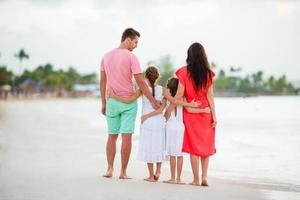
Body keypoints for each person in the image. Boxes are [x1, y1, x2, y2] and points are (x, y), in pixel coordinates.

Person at [100, 28, 161, 179]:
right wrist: (153, 100)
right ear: (127, 40)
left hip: (111, 101)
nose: (136, 45)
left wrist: (103, 102)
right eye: (135, 42)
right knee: (126, 137)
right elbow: (140, 81)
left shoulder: (106, 56)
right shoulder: (131, 57)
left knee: (112, 136)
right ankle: (123, 172)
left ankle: (109, 169)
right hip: (128, 103)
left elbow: (103, 81)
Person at [164, 42, 217, 186]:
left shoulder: (183, 72)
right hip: (206, 112)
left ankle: (195, 179)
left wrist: (168, 111)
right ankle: (204, 176)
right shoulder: (208, 73)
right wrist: (214, 116)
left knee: (194, 147)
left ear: (189, 56)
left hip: (191, 113)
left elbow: (180, 94)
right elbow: (210, 97)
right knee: (205, 147)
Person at [109, 66, 166, 182]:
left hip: (147, 121)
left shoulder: (142, 90)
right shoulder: (163, 89)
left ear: (145, 77)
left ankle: (151, 175)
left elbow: (129, 100)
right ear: (158, 77)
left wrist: (114, 95)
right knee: (158, 145)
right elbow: (166, 104)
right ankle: (158, 171)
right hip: (159, 121)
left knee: (149, 146)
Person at [163, 78, 210, 185]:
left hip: (170, 126)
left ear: (169, 87)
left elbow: (166, 115)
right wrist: (204, 110)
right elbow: (190, 110)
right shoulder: (183, 98)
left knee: (172, 154)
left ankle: (172, 178)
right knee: (179, 154)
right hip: (180, 127)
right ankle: (179, 179)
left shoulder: (168, 98)